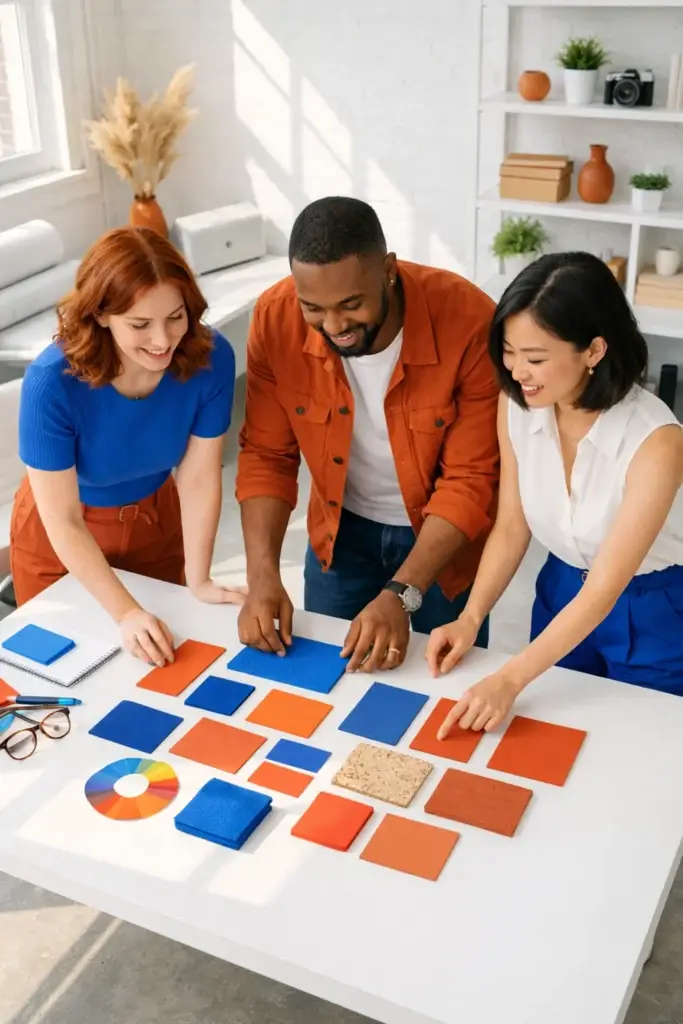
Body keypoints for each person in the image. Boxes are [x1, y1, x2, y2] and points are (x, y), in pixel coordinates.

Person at [236, 196, 499, 672]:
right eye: (313, 307)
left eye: (351, 305)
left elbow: (472, 479)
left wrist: (403, 592)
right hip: (340, 534)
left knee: (442, 684)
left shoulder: (470, 321)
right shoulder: (274, 319)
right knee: (332, 678)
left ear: (389, 271)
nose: (333, 326)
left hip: (442, 542)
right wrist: (262, 576)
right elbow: (266, 455)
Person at [427, 251, 683, 737]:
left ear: (593, 350)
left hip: (654, 610)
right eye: (508, 351)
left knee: (640, 750)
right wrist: (470, 617)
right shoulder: (519, 405)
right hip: (562, 589)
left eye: (536, 358)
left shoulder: (657, 442)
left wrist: (510, 676)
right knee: (551, 743)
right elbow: (510, 526)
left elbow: (606, 588)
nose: (517, 371)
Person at [12, 226, 245, 667]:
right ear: (101, 315)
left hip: (154, 522)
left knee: (158, 664)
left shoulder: (211, 358)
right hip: (59, 535)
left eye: (176, 317)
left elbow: (197, 477)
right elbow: (61, 519)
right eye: (140, 324)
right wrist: (126, 611)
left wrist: (200, 579)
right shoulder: (51, 381)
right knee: (55, 669)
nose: (163, 341)